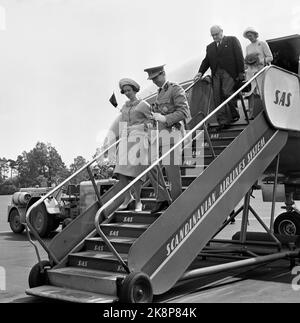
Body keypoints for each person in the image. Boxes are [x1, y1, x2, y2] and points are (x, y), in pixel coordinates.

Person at [144, 65, 191, 214]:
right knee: (150, 164)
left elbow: (184, 111)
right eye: (152, 79)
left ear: (163, 74)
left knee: (171, 168)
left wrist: (165, 118)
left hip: (173, 131)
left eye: (156, 78)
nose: (154, 81)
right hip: (160, 133)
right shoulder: (159, 93)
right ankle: (162, 198)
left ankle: (176, 202)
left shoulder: (175, 88)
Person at [194, 25, 245, 130]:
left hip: (229, 73)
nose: (214, 37)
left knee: (227, 93)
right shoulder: (210, 47)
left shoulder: (232, 40)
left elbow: (239, 56)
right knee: (217, 98)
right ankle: (223, 121)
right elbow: (206, 61)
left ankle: (234, 114)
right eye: (212, 35)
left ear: (222, 31)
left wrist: (241, 72)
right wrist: (200, 72)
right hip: (216, 74)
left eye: (216, 34)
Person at [113, 78, 152, 212]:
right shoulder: (124, 107)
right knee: (120, 170)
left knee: (136, 172)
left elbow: (152, 123)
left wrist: (139, 128)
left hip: (140, 139)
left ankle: (138, 201)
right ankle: (127, 196)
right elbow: (123, 124)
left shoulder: (143, 104)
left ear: (134, 90)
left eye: (129, 90)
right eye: (125, 91)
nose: (127, 93)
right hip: (126, 140)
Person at [243, 27, 273, 118]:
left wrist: (260, 61)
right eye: (248, 37)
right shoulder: (248, 47)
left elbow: (270, 57)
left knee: (263, 91)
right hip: (251, 72)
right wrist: (247, 63)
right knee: (251, 92)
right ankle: (251, 114)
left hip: (261, 70)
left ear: (255, 35)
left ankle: (267, 112)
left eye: (251, 36)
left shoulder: (262, 44)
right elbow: (247, 60)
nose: (250, 38)